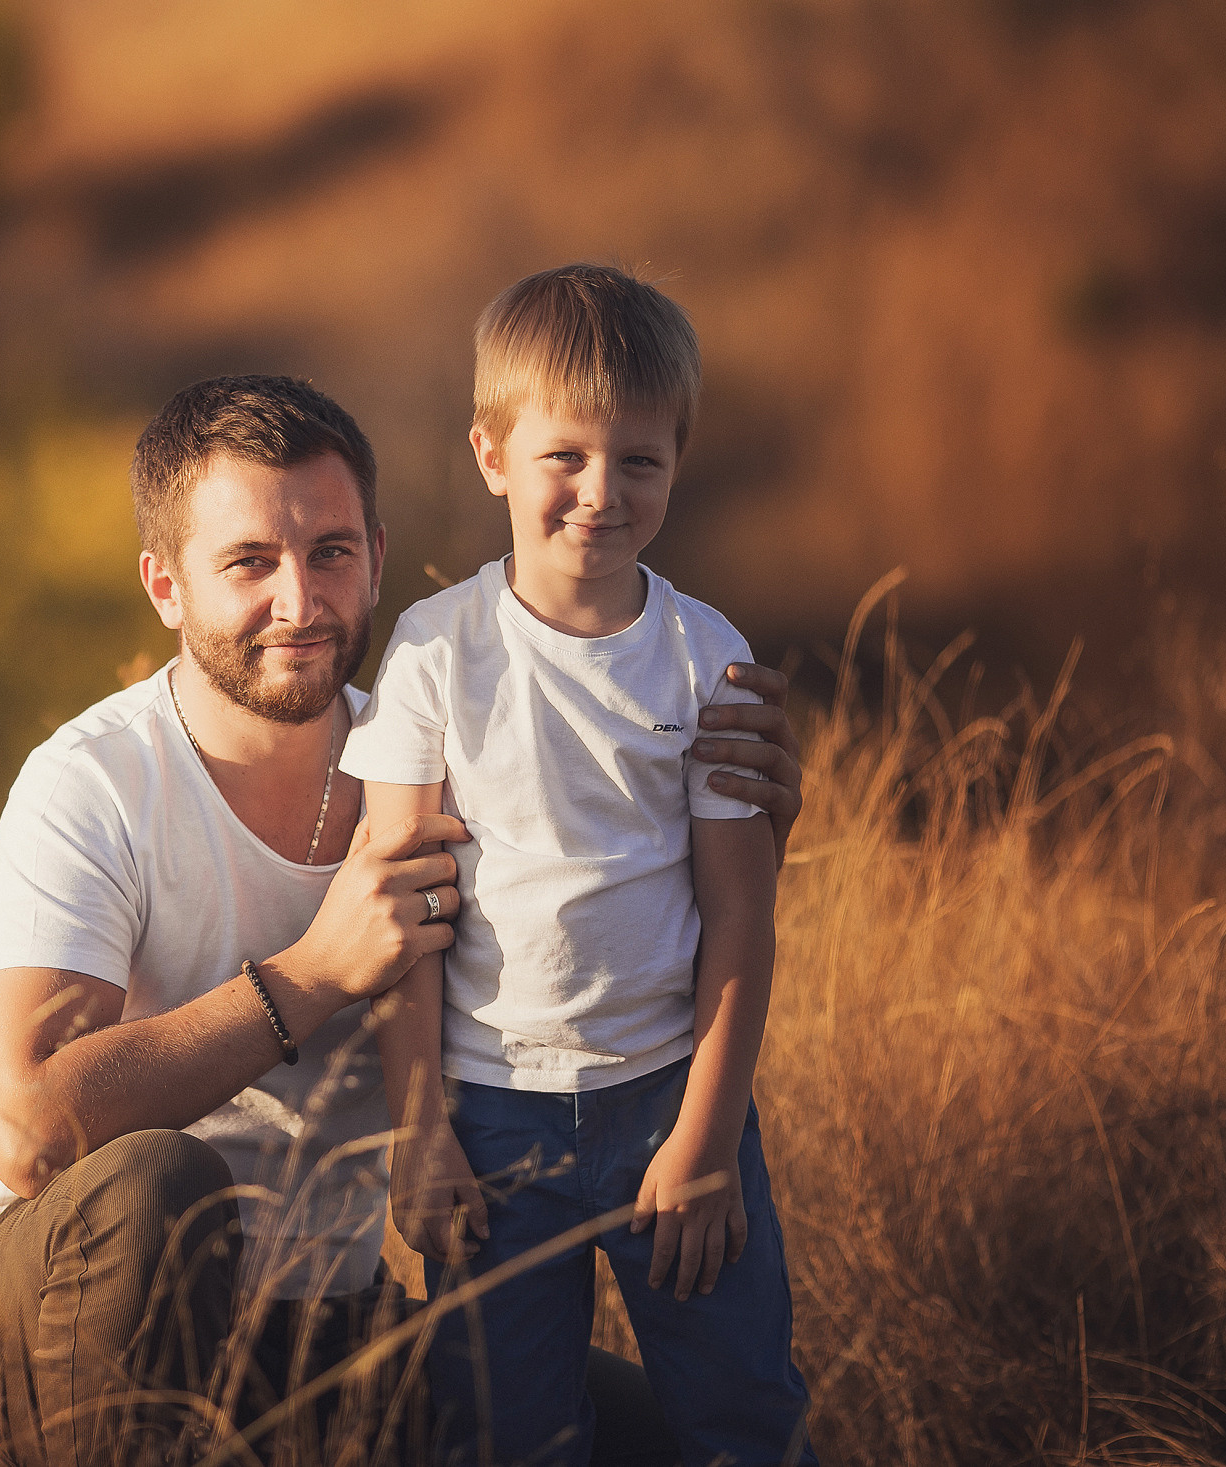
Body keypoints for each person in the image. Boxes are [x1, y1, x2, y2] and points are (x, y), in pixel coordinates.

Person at [0, 374, 807, 1465]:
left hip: (317, 1322)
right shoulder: (92, 785)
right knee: (160, 1185)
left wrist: (745, 825)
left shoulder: (441, 757)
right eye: (249, 562)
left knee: (647, 1444)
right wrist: (312, 976)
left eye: (330, 552)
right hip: (50, 1315)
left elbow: (616, 925)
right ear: (165, 585)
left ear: (378, 558)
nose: (300, 601)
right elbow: (29, 1132)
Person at [343, 265, 817, 1466]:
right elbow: (403, 913)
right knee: (510, 1433)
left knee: (741, 1418)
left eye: (638, 460)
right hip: (489, 1118)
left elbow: (739, 916)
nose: (601, 492)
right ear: (491, 454)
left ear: (677, 463)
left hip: (668, 1099)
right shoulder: (435, 654)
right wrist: (419, 1131)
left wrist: (707, 1138)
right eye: (565, 455)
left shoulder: (704, 658)